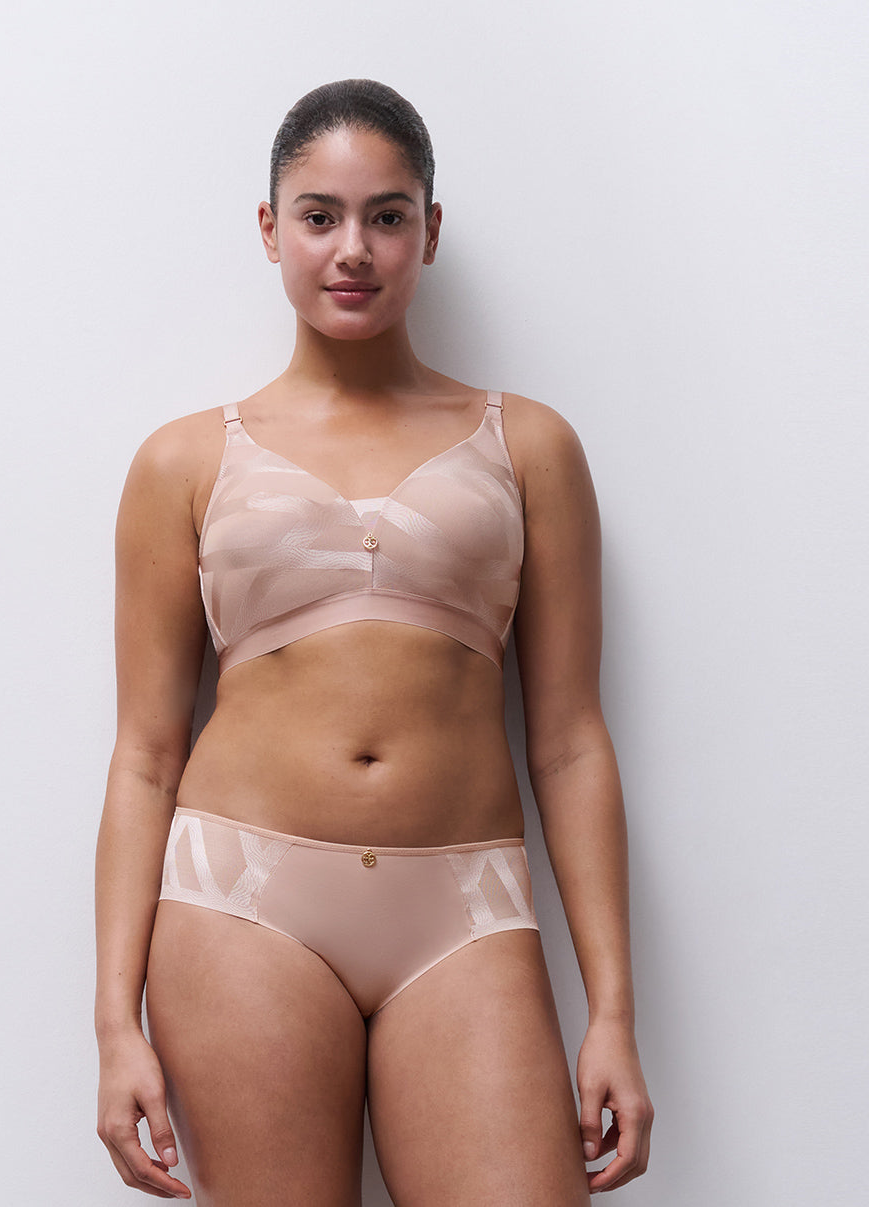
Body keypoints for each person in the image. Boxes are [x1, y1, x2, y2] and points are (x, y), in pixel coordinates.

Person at [95, 79, 652, 1205]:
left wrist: (613, 1015)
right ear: (271, 229)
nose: (353, 249)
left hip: (465, 908)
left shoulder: (529, 445)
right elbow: (146, 753)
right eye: (320, 215)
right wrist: (113, 1023)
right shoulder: (182, 461)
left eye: (386, 216)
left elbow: (568, 743)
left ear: (429, 231)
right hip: (240, 902)